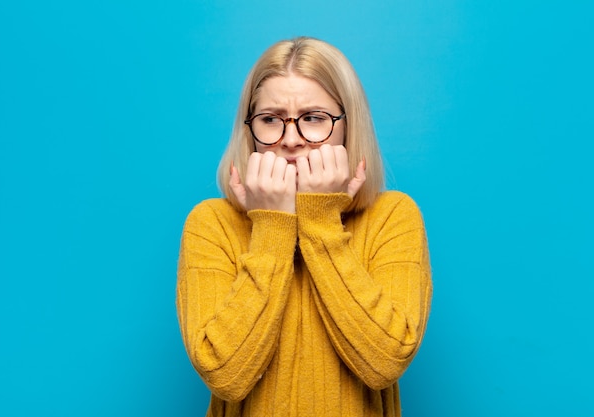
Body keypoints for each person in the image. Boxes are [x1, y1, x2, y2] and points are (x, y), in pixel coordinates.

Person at [176, 36, 432, 417]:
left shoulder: (394, 217)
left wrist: (319, 220)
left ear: (349, 126)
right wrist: (273, 228)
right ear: (250, 132)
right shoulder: (211, 224)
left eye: (314, 119)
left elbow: (385, 363)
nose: (291, 140)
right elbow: (227, 375)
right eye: (270, 120)